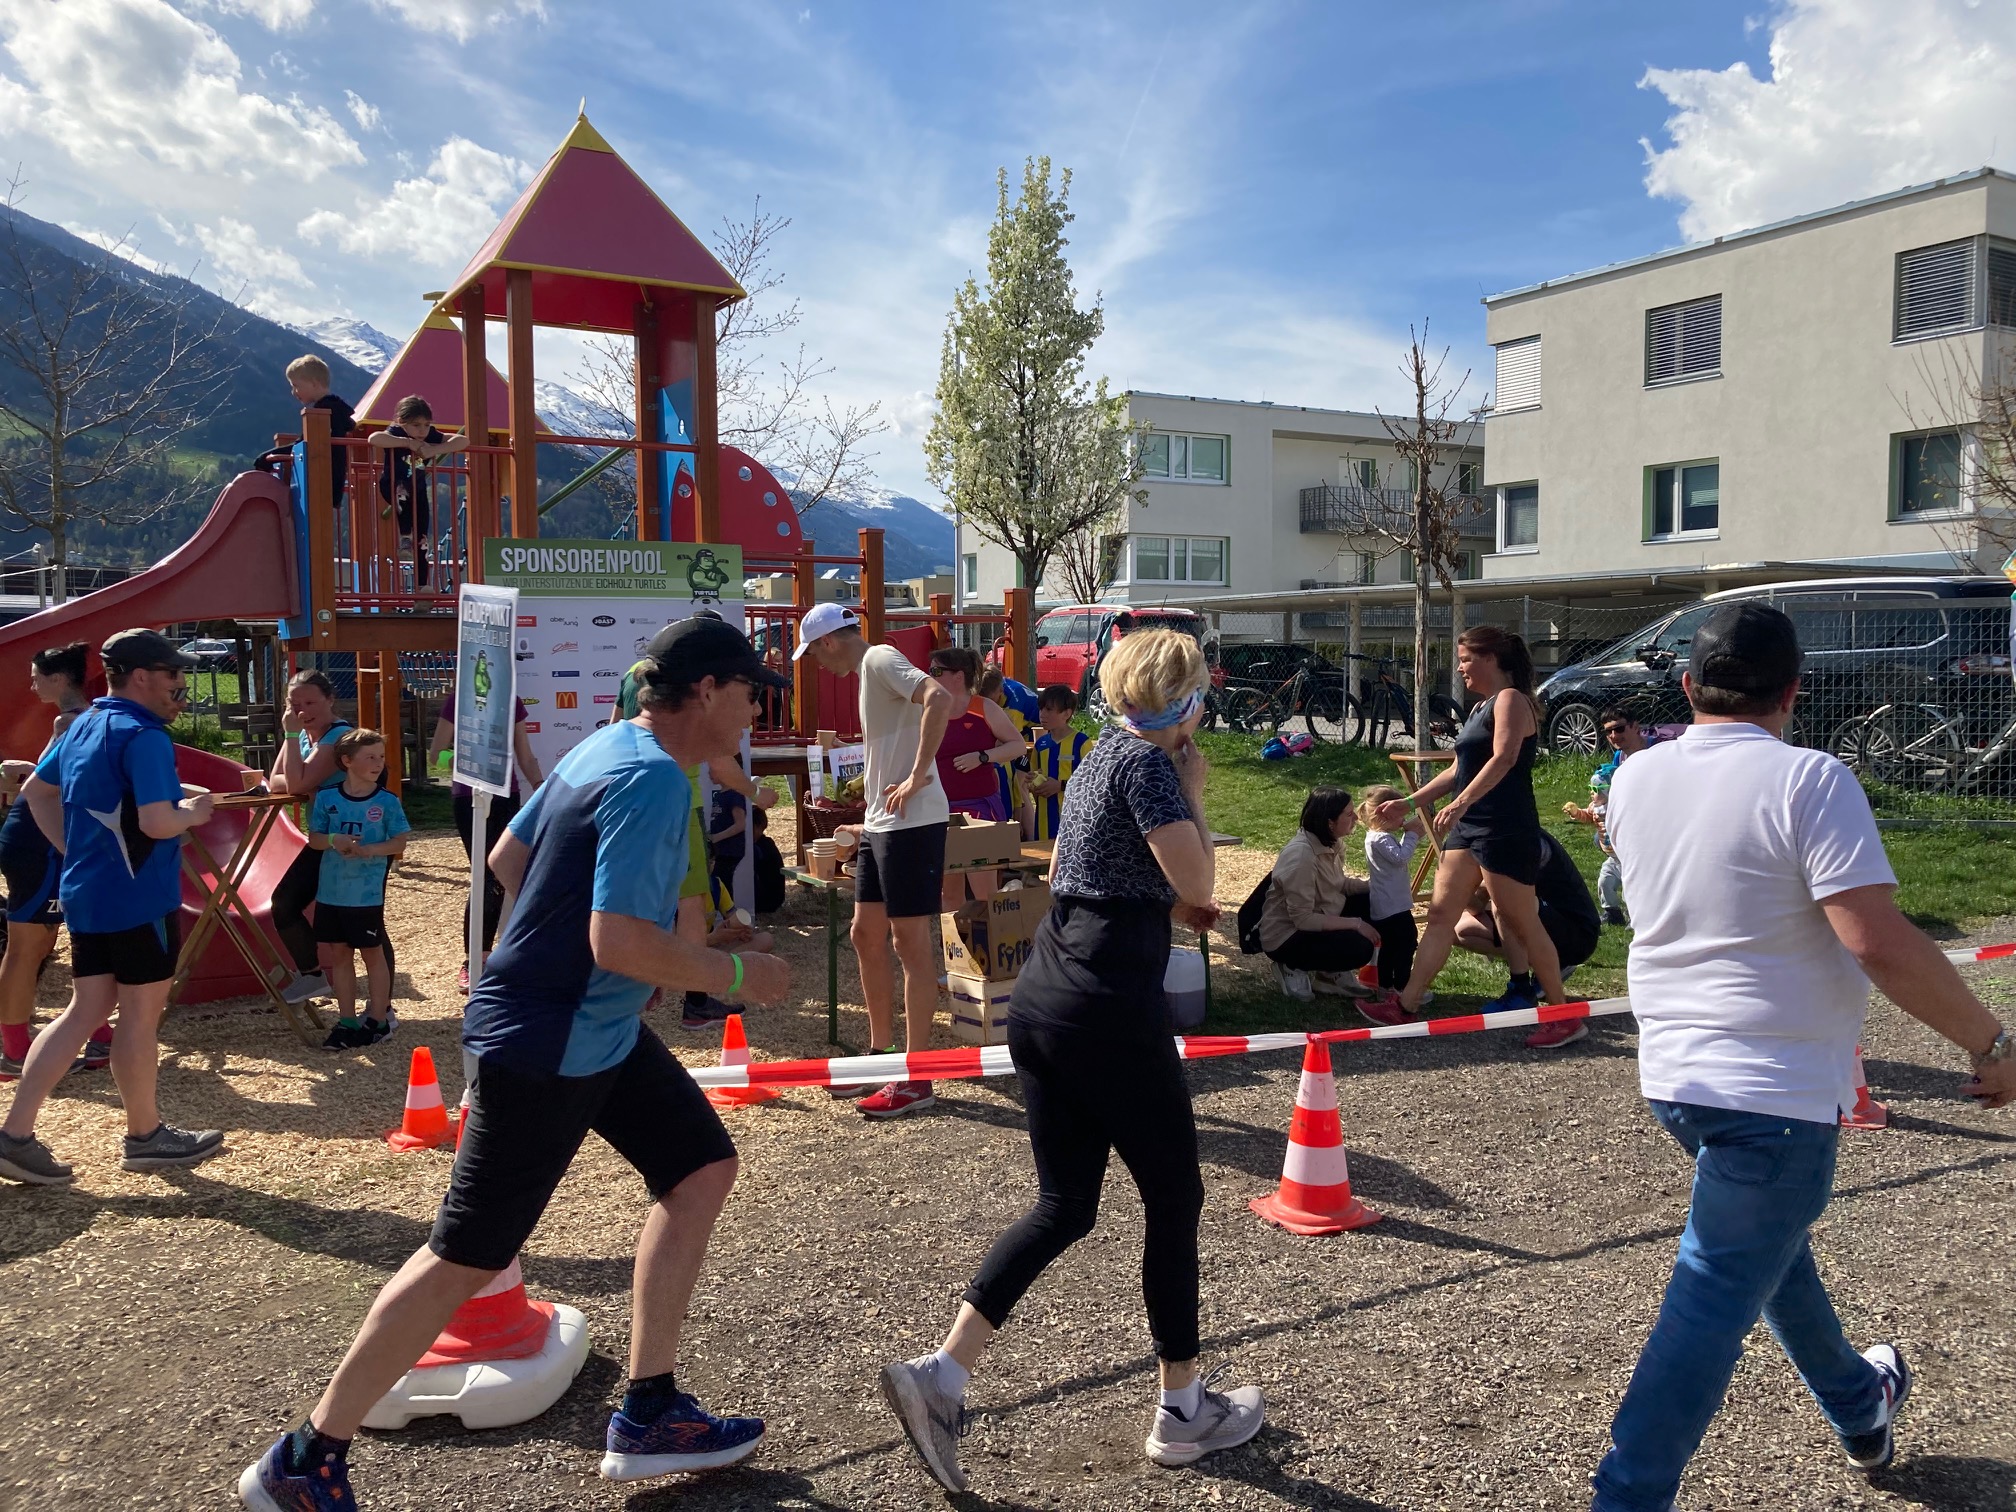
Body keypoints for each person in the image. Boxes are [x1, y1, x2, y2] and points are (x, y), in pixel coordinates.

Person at [237, 617, 793, 1510]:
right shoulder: (652, 779)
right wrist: (739, 973)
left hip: (589, 1028)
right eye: (748, 692)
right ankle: (304, 1455)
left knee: (701, 1169)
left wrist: (551, 948)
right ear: (704, 691)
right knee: (467, 1254)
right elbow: (615, 941)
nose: (754, 711)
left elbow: (507, 857)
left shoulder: (607, 745)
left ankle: (649, 1408)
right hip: (551, 1041)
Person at [1589, 601, 2016, 1512]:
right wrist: (1994, 1041)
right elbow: (1878, 941)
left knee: (1771, 1257)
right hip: (1774, 1091)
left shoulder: (1634, 778)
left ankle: (1861, 1401)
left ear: (1687, 685)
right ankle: (1626, 1497)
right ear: (1796, 691)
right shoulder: (1813, 780)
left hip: (1675, 1079)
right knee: (1709, 1303)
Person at [879, 629, 1264, 1493]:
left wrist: (1167, 896)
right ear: (1188, 698)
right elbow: (1201, 887)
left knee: (1067, 1205)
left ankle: (940, 1376)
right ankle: (1183, 1410)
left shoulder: (1096, 760)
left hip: (1047, 990)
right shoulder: (1155, 769)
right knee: (1174, 1196)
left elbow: (1104, 871)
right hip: (1106, 1006)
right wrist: (1196, 798)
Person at [0, 630, 222, 1185]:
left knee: (85, 1010)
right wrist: (195, 813)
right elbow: (155, 821)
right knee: (139, 1018)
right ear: (142, 676)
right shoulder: (145, 736)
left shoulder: (84, 724)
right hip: (139, 898)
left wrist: (72, 851)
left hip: (89, 893)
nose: (181, 684)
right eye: (173, 674)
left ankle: (15, 1134)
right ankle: (145, 1136)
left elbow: (35, 793)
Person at [795, 602, 953, 1120]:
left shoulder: (881, 657)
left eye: (814, 652)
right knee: (866, 934)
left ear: (830, 641)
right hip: (884, 822)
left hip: (912, 822)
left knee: (910, 943)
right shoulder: (870, 669)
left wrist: (917, 774)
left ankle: (917, 1073)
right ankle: (881, 1053)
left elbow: (939, 696)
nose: (817, 664)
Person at [1378, 626, 1568, 1040]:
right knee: (1442, 914)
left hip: (1504, 828)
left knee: (1521, 921)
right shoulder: (1481, 707)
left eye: (1465, 659)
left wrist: (1461, 803)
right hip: (1468, 829)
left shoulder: (1512, 701)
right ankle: (1406, 1005)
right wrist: (1409, 803)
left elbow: (1504, 759)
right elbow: (1456, 769)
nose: (1460, 667)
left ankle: (1562, 1014)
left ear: (1491, 659)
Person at [0, 642, 98, 1080]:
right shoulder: (76, 720)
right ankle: (14, 1049)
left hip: (46, 840)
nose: (32, 683)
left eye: (37, 675)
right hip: (39, 840)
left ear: (60, 679)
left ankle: (95, 1032)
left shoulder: (75, 721)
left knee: (46, 943)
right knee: (28, 946)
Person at [428, 689, 543, 992]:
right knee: (484, 876)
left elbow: (526, 755)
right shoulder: (458, 699)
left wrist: (543, 788)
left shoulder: (512, 701)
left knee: (501, 877)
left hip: (507, 797)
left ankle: (496, 956)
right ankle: (473, 961)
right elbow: (435, 756)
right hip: (470, 798)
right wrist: (469, 760)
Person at [309, 729, 410, 1051]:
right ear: (347, 761)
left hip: (364, 895)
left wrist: (370, 850)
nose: (378, 763)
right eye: (370, 756)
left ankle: (378, 1019)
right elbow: (314, 839)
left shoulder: (387, 801)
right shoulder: (327, 798)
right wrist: (333, 841)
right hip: (331, 892)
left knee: (371, 953)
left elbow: (399, 842)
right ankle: (347, 1021)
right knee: (339, 954)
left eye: (381, 757)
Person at [1453, 831, 1602, 1044]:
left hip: (1577, 933)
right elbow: (1476, 905)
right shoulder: (1490, 841)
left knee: (1506, 901)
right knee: (1461, 930)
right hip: (1547, 922)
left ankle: (1521, 989)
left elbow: (1507, 895)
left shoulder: (1521, 839)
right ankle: (1548, 967)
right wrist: (1462, 890)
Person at [1256, 787, 1392, 1008]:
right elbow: (1302, 919)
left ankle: (1329, 974)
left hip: (1322, 915)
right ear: (1330, 822)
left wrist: (1377, 886)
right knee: (1359, 948)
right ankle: (1291, 965)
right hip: (1287, 935)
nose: (1356, 817)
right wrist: (1356, 924)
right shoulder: (1302, 857)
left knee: (1376, 903)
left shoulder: (1332, 843)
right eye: (1348, 814)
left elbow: (1338, 884)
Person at [268, 670, 355, 1005]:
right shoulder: (303, 737)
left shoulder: (338, 737)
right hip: (323, 837)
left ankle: (380, 1007)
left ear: (330, 699)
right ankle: (312, 975)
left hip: (349, 838)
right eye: (295, 704)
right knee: (285, 903)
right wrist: (297, 769)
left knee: (359, 922)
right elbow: (274, 779)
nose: (303, 711)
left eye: (310, 702)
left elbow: (295, 786)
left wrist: (292, 746)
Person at [930, 647, 1026, 911]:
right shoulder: (931, 708)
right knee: (949, 894)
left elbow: (1017, 745)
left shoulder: (984, 707)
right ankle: (955, 949)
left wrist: (982, 756)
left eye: (936, 671)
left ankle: (991, 947)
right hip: (941, 810)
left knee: (984, 894)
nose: (930, 676)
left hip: (979, 809)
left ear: (958, 676)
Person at [1563, 707, 1655, 927]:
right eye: (1608, 732)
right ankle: (1613, 912)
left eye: (1619, 729)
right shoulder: (1619, 757)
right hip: (1627, 826)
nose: (1614, 736)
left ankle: (1641, 915)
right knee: (1601, 843)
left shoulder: (1656, 752)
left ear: (1635, 726)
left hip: (1653, 822)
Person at [368, 395, 469, 591]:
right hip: (392, 485)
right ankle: (405, 535)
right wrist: (406, 443)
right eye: (416, 425)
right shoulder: (396, 432)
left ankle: (423, 586)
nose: (422, 430)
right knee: (402, 493)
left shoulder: (429, 435)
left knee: (422, 535)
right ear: (402, 422)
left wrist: (436, 449)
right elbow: (374, 438)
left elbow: (463, 440)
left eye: (426, 424)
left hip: (419, 490)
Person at [257, 355, 355, 510]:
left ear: (314, 384)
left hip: (321, 484)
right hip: (329, 483)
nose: (293, 392)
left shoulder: (323, 413)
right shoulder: (337, 410)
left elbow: (306, 444)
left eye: (296, 386)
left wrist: (267, 457)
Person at [1357, 784, 1422, 993]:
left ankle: (1386, 985)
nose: (1403, 820)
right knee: (1407, 942)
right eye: (1400, 815)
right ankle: (1401, 985)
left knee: (1391, 946)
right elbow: (1400, 857)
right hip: (1393, 905)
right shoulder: (1381, 838)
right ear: (1384, 816)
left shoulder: (1373, 837)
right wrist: (1412, 834)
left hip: (1386, 903)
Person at [1026, 683, 1093, 842]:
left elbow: (1091, 783)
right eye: (1041, 709)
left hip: (1073, 821)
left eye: (1049, 709)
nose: (1042, 714)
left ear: (1066, 713)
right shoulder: (1041, 744)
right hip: (1043, 820)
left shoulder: (1082, 743)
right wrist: (1032, 781)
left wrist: (1060, 786)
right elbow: (1035, 776)